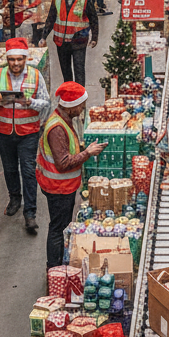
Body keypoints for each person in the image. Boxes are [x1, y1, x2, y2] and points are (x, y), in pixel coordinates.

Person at [0, 37, 50, 233]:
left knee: (28, 171)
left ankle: (30, 213)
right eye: (12, 60)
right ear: (7, 60)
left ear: (25, 59)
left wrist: (30, 103)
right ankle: (14, 198)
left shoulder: (36, 76)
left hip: (28, 133)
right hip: (4, 132)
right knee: (10, 168)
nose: (16, 63)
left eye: (20, 59)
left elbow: (45, 102)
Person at [37, 82, 107, 268]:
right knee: (58, 227)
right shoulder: (57, 128)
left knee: (61, 225)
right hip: (58, 187)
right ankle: (54, 267)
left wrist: (83, 148)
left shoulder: (64, 120)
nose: (83, 108)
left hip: (62, 186)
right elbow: (63, 163)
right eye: (81, 105)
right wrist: (87, 153)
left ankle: (58, 264)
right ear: (72, 106)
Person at [40, 0, 99, 85]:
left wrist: (94, 38)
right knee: (66, 72)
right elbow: (51, 17)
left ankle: (80, 97)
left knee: (79, 70)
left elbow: (93, 19)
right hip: (61, 42)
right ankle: (69, 95)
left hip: (79, 40)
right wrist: (43, 36)